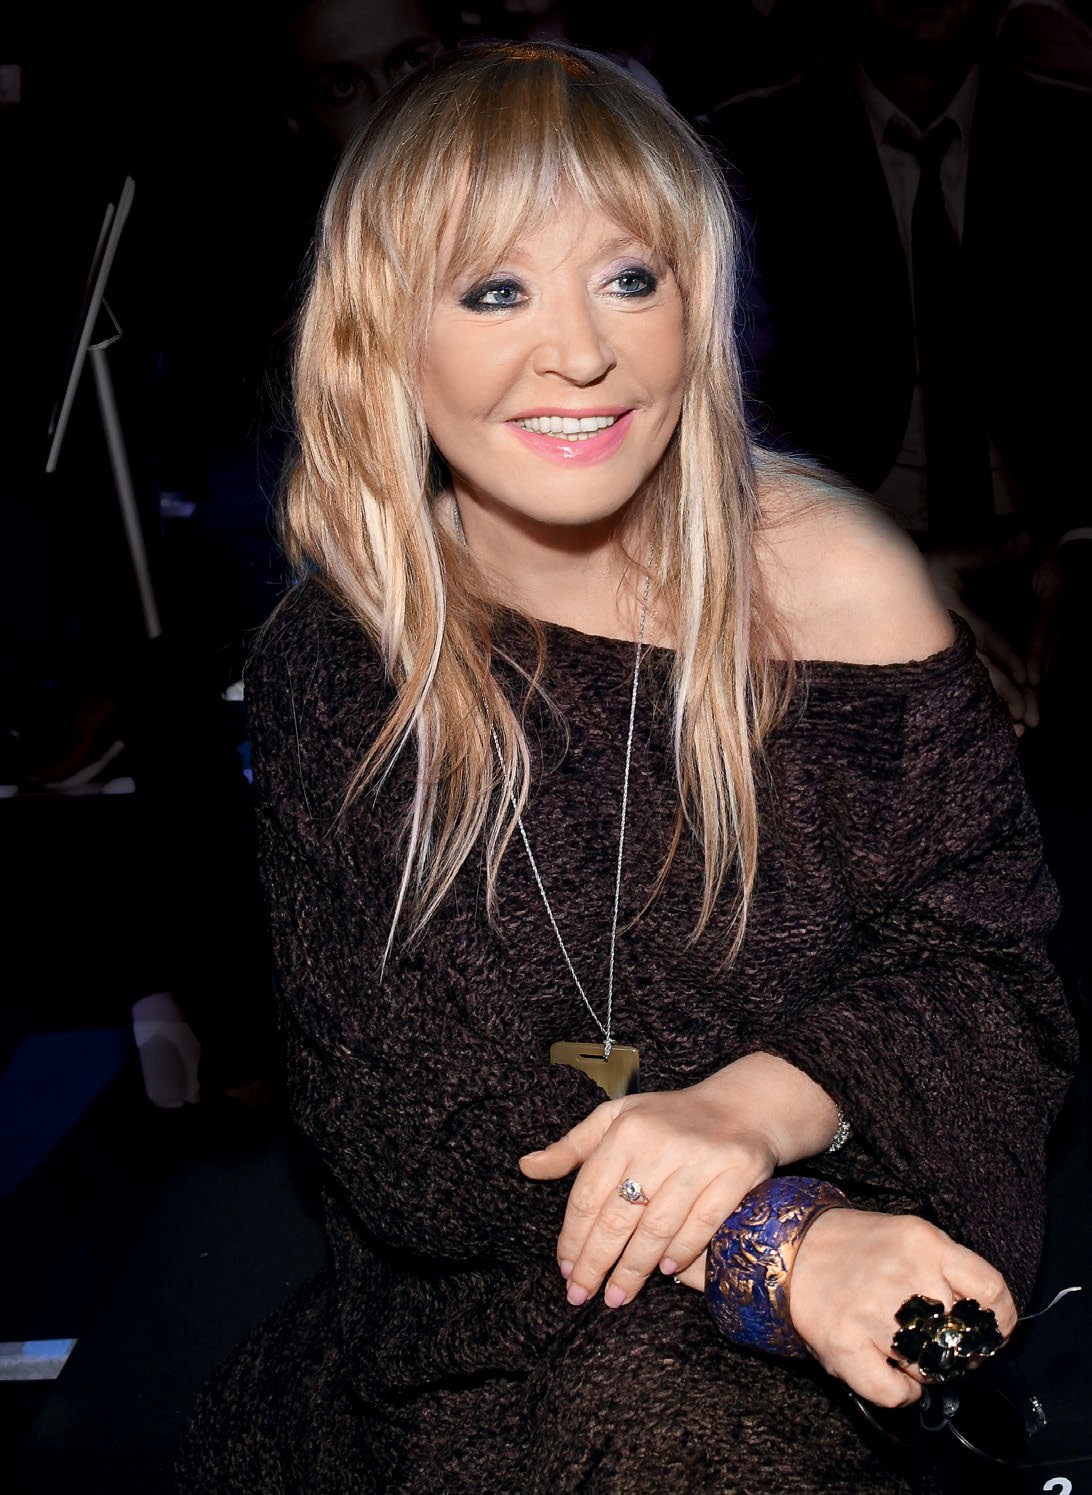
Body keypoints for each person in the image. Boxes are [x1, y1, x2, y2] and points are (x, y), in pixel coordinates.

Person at [172, 39, 1078, 1493]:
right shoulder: (346, 657)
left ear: (696, 307)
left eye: (629, 277)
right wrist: (775, 1247)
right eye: (495, 290)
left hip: (865, 1240)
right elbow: (406, 1118)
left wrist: (761, 1108)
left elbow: (988, 975)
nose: (581, 351)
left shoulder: (837, 582)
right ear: (380, 335)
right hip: (499, 1318)